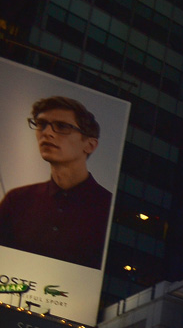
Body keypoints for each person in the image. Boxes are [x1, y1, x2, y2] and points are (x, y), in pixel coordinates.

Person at [0, 96, 113, 268]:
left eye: (62, 126)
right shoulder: (17, 200)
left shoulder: (107, 207)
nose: (47, 133)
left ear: (89, 145)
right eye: (41, 124)